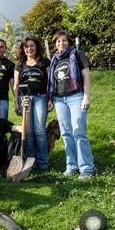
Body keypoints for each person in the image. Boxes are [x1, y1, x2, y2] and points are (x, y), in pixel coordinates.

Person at [48, 30, 95, 180]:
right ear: (55, 44)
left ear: (69, 41)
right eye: (58, 41)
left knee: (78, 132)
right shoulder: (54, 59)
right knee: (66, 133)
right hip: (60, 99)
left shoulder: (78, 55)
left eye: (64, 40)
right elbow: (53, 82)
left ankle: (87, 168)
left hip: (76, 97)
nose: (61, 43)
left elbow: (86, 77)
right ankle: (72, 165)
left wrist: (86, 96)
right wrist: (51, 98)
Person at [13, 36, 50, 171]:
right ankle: (31, 162)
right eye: (26, 46)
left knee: (40, 131)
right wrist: (16, 102)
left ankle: (43, 163)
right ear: (23, 49)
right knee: (28, 132)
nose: (29, 49)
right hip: (25, 100)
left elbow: (49, 83)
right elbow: (16, 85)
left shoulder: (44, 62)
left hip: (41, 98)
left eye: (32, 46)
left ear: (36, 47)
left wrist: (50, 99)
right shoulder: (19, 64)